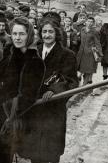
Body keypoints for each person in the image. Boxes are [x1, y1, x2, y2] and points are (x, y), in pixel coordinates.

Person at [0, 17, 45, 163]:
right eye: (15, 34)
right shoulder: (9, 54)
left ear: (29, 35)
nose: (17, 37)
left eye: (21, 34)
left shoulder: (35, 62)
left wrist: (9, 110)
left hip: (11, 116)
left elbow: (28, 96)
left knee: (2, 155)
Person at [21, 17, 78, 163]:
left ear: (57, 33)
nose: (47, 35)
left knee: (50, 151)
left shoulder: (67, 55)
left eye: (50, 32)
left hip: (53, 109)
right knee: (34, 151)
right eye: (44, 31)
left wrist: (54, 90)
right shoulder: (33, 52)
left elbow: (71, 80)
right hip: (34, 107)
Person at [77, 17, 103, 85]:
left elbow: (98, 43)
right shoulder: (82, 30)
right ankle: (79, 83)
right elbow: (80, 40)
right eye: (88, 21)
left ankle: (84, 86)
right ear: (86, 22)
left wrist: (100, 54)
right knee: (80, 69)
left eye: (91, 22)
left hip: (90, 54)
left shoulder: (95, 32)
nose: (90, 23)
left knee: (88, 71)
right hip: (81, 53)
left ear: (93, 23)